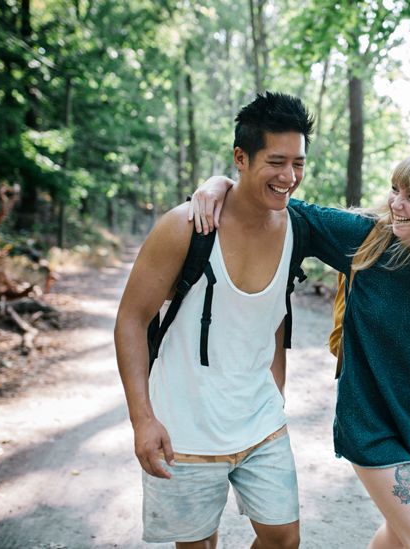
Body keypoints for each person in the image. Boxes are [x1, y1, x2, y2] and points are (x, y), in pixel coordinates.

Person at [192, 149, 410, 548]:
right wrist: (222, 184)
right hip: (369, 422)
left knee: (399, 538)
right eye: (396, 190)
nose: (396, 204)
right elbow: (288, 207)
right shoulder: (365, 238)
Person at [114, 91, 314, 549]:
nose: (289, 177)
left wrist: (277, 391)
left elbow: (274, 314)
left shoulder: (299, 228)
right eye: (277, 162)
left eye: (298, 163)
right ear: (241, 158)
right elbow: (131, 319)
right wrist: (142, 421)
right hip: (184, 426)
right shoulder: (184, 227)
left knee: (284, 540)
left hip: (260, 420)